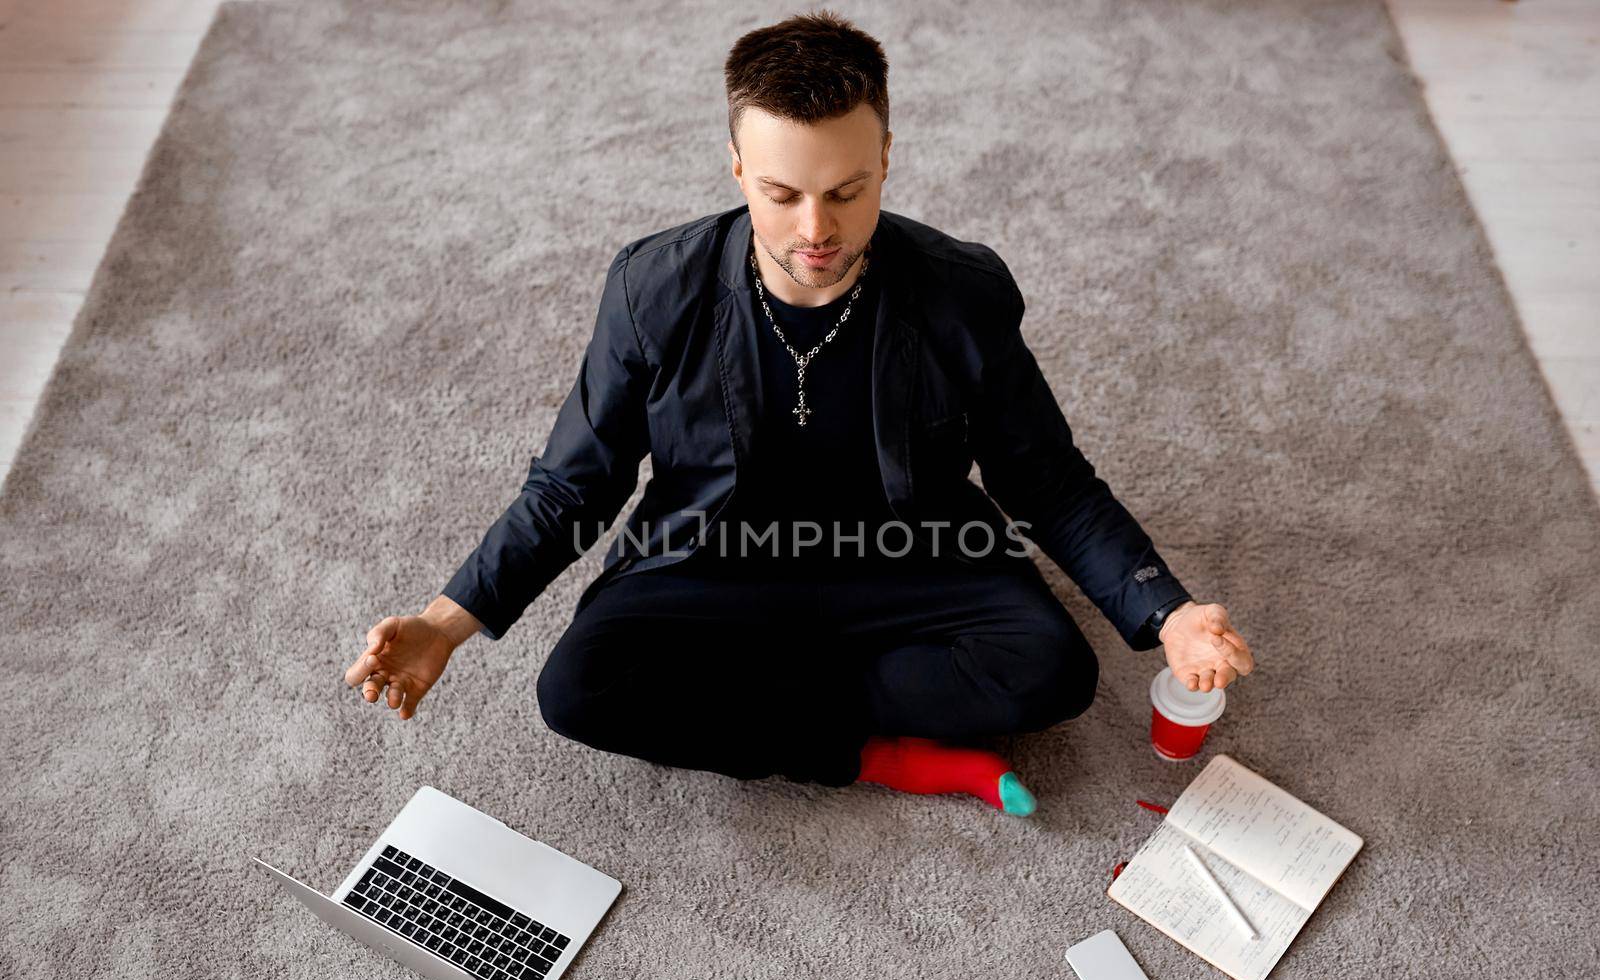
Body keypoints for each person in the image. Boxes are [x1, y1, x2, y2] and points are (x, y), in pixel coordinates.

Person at [343, 10, 1254, 817]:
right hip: (713, 554)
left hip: (911, 552)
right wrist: (444, 623)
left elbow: (1046, 478)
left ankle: (781, 712)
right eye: (781, 194)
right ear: (738, 167)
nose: (815, 228)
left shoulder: (962, 291)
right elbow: (573, 485)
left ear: (887, 159)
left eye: (847, 191)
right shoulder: (650, 288)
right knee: (578, 690)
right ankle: (874, 753)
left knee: (1057, 673)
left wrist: (1166, 612)